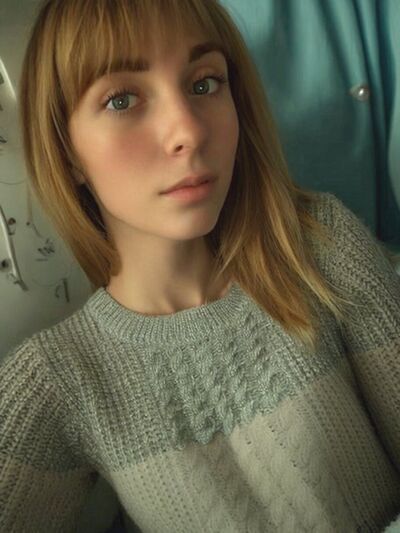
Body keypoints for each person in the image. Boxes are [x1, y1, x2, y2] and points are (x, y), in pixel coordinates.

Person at [1, 0, 399, 531]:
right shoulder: (57, 381)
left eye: (204, 83)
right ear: (66, 150)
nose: (187, 129)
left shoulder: (320, 249)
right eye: (121, 99)